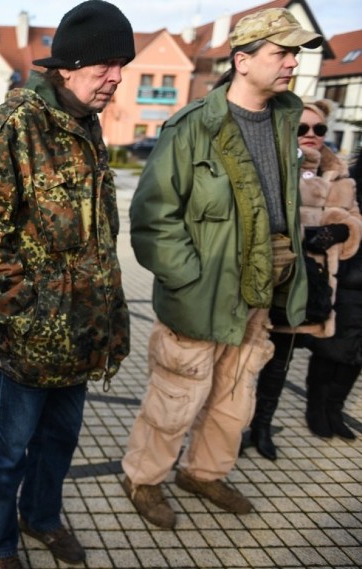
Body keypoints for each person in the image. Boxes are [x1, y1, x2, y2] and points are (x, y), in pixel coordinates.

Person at [121, 8, 322, 529]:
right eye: (281, 52)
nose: (292, 63)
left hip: (259, 293)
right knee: (176, 398)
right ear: (242, 60)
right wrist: (190, 278)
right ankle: (143, 479)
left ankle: (204, 473)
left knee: (236, 397)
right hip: (200, 295)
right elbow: (151, 218)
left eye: (295, 53)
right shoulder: (193, 128)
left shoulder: (284, 121)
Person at [0, 1, 133, 566]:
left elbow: (97, 235)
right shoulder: (19, 121)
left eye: (122, 65)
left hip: (81, 335)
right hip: (32, 338)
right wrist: (26, 313)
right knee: (7, 451)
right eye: (106, 64)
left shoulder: (86, 122)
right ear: (68, 65)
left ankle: (40, 517)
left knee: (59, 443)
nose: (116, 77)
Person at [249, 99, 361, 458]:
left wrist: (341, 232)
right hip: (269, 282)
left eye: (319, 129)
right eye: (302, 128)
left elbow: (354, 218)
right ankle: (225, 430)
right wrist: (297, 237)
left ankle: (262, 427)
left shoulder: (338, 172)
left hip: (309, 288)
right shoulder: (273, 165)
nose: (311, 135)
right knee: (244, 361)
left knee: (280, 362)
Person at [302, 113, 362, 441]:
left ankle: (335, 409)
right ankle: (316, 407)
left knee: (357, 354)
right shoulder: (353, 177)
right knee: (333, 346)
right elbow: (347, 216)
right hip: (351, 273)